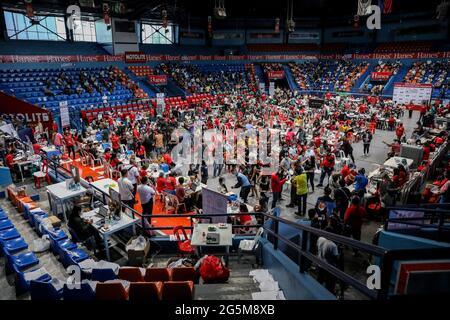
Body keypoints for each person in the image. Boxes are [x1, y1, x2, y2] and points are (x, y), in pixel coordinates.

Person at [317, 229, 339, 294]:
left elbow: (317, 248)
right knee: (330, 283)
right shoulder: (333, 245)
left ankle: (317, 291)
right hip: (328, 267)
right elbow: (335, 258)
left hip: (320, 263)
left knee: (319, 279)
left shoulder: (320, 239)